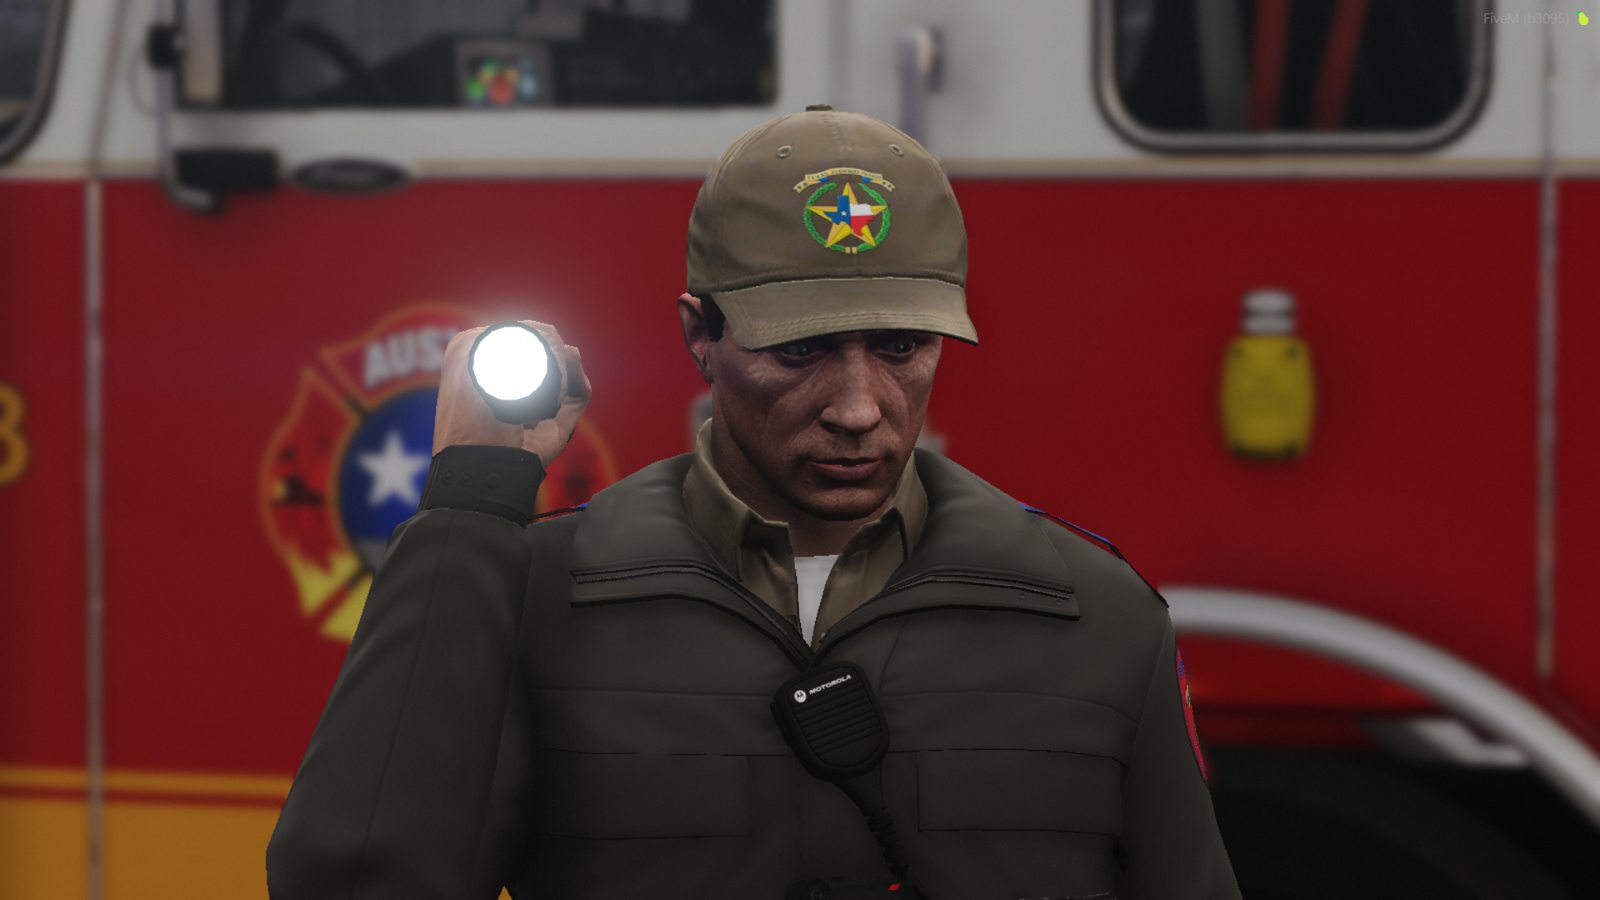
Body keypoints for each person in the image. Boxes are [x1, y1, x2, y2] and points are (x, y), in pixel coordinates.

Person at [266, 106, 1240, 900]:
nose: (859, 408)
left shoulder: (1097, 615)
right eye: (800, 350)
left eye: (901, 347)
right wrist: (472, 503)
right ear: (700, 334)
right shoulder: (532, 599)